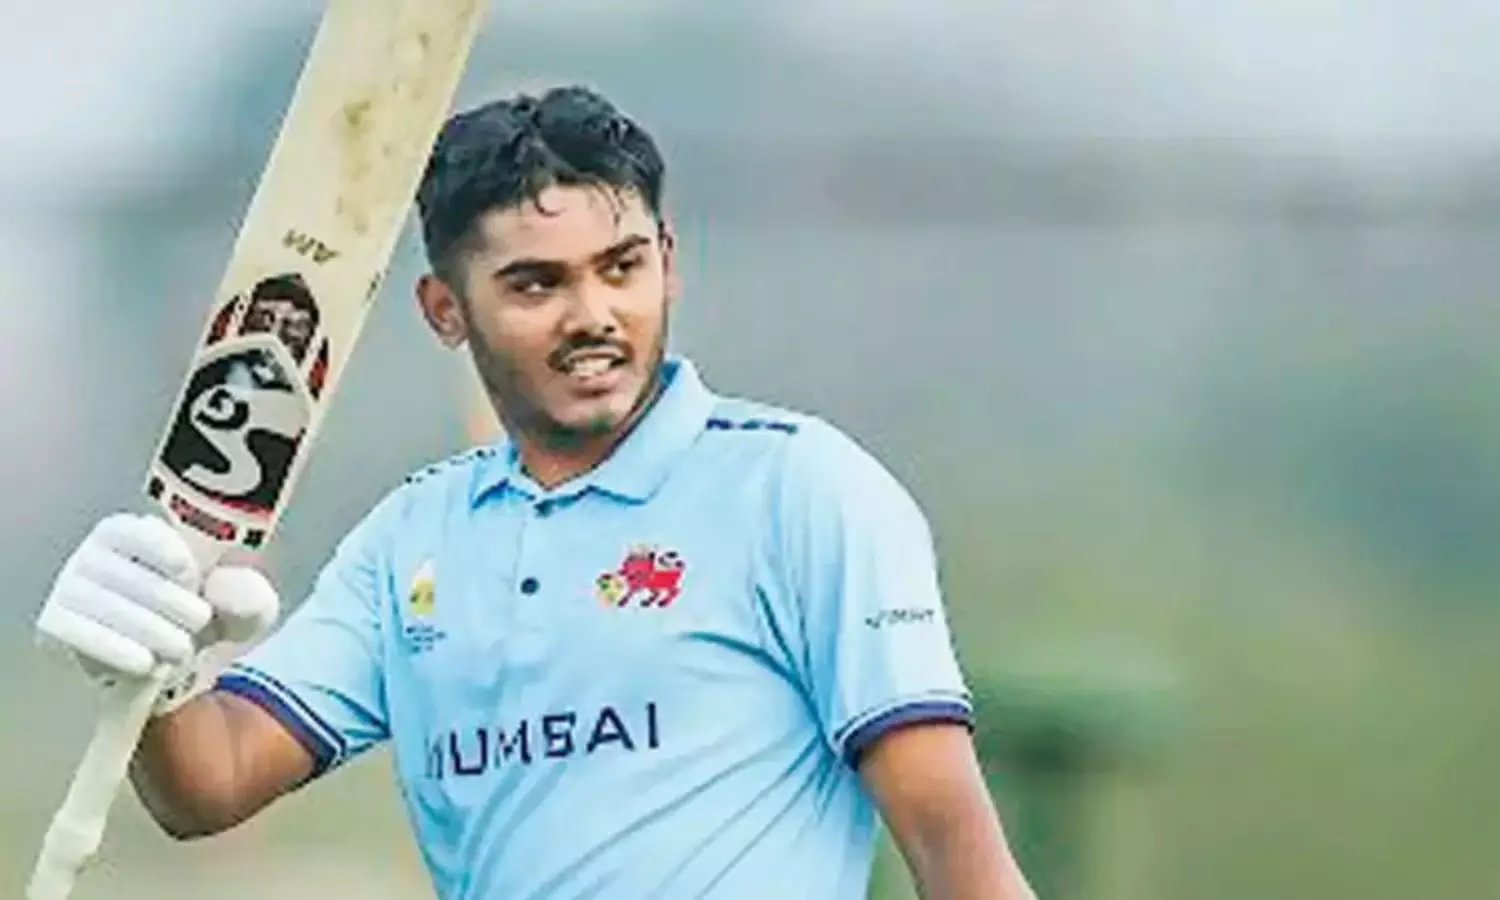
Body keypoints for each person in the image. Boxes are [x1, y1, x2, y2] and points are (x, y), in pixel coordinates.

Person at [35, 85, 1038, 900]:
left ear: (668, 264)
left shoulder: (801, 490)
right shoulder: (412, 539)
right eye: (535, 285)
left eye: (621, 267)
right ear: (445, 309)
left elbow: (958, 854)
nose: (593, 313)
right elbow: (209, 786)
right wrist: (156, 672)